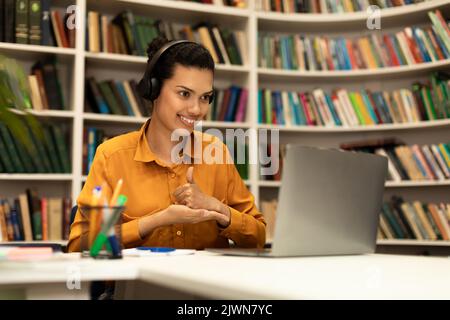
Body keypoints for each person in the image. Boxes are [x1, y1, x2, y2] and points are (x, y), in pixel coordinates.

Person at [68, 37, 266, 252]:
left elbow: (259, 237)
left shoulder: (216, 151)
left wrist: (219, 210)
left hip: (203, 285)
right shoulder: (112, 156)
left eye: (205, 97)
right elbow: (79, 246)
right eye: (184, 94)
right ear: (153, 90)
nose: (196, 109)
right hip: (136, 286)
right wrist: (156, 221)